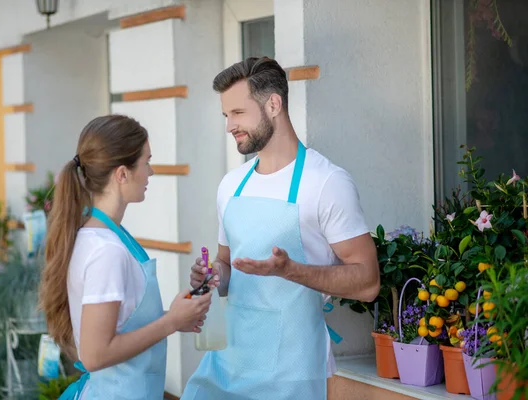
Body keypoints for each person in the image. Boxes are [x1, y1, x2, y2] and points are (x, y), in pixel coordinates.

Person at [181, 57, 380, 400]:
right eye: (226, 115)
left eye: (238, 113)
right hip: (225, 367)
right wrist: (212, 276)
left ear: (273, 104)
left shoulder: (326, 183)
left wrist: (291, 271)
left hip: (291, 378)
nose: (229, 126)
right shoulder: (230, 186)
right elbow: (226, 265)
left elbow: (368, 283)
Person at [39, 115, 212, 400]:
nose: (151, 172)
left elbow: (121, 324)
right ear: (122, 174)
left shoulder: (108, 235)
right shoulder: (106, 251)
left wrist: (179, 316)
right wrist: (169, 323)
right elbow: (95, 355)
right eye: (146, 162)